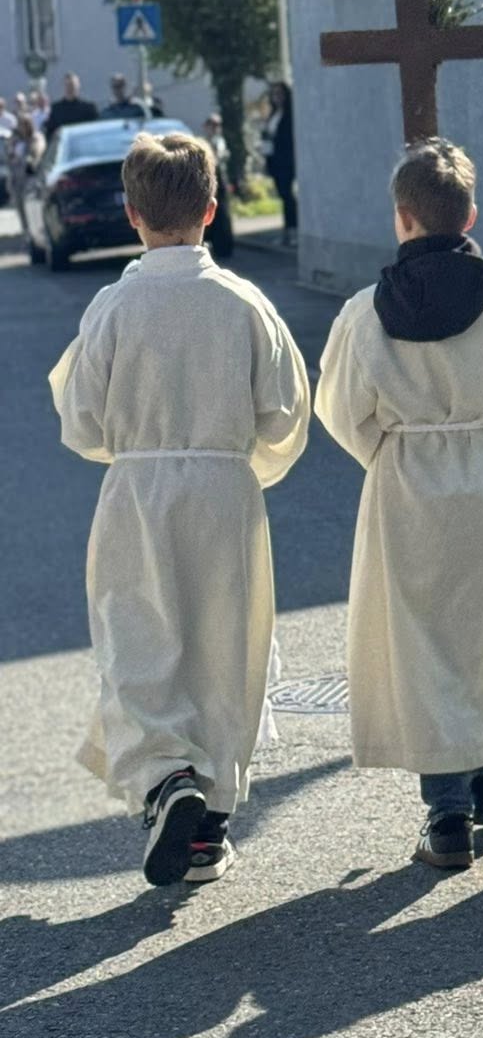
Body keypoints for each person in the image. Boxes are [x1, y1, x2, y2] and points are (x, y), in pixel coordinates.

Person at [49, 132, 310, 887]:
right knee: (225, 649)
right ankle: (210, 826)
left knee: (139, 642)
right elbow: (285, 414)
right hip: (226, 492)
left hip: (137, 492)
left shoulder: (114, 306)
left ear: (132, 215)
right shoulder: (245, 303)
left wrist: (132, 449)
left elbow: (81, 420)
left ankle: (166, 780)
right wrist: (246, 465)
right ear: (213, 209)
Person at [316, 137, 483, 870]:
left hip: (408, 482)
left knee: (424, 644)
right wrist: (477, 427)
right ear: (470, 215)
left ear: (403, 218)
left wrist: (392, 452)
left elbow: (340, 409)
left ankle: (446, 814)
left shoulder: (365, 313)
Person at [263, 80, 297, 235]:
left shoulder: (289, 114)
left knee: (287, 194)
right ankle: (288, 229)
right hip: (273, 159)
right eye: (274, 94)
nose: (277, 97)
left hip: (285, 160)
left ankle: (292, 227)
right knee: (283, 194)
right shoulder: (273, 114)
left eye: (280, 94)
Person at [43, 72, 96, 139]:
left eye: (72, 85)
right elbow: (49, 133)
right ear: (64, 87)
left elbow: (94, 131)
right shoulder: (56, 109)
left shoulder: (88, 108)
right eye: (67, 85)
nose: (70, 88)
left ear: (78, 86)